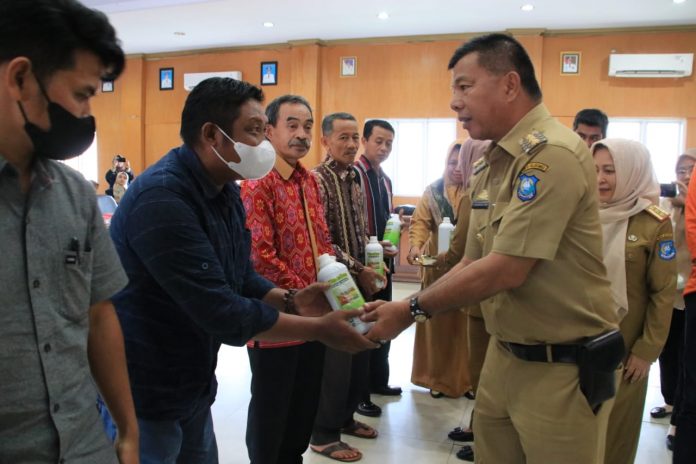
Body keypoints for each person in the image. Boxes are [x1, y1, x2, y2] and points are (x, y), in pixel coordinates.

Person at [362, 33, 623, 464]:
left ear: (508, 84)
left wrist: (409, 311)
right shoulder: (492, 163)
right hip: (504, 356)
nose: (454, 102)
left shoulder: (551, 155)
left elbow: (505, 269)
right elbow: (472, 258)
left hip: (561, 367)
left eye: (465, 86)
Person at [109, 78, 375, 464]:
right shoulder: (163, 199)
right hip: (145, 388)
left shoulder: (224, 188)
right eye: (253, 131)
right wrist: (319, 328)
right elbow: (222, 311)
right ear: (212, 135)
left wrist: (290, 299)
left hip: (193, 380)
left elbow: (241, 273)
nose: (263, 144)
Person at [0, 1, 139, 463]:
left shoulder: (75, 194)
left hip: (82, 443)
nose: (85, 115)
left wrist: (127, 428)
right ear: (20, 78)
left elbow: (99, 315)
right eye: (81, 95)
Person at [240, 94, 335, 464]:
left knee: (303, 404)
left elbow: (323, 242)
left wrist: (339, 282)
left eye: (308, 126)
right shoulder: (257, 182)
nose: (301, 134)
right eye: (292, 125)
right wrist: (302, 297)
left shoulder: (307, 181)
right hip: (277, 316)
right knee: (272, 410)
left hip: (315, 315)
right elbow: (259, 257)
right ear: (269, 130)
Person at [592, 139, 675, 464]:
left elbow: (663, 293)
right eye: (595, 169)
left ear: (631, 172)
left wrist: (646, 351)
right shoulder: (581, 215)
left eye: (610, 171)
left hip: (625, 352)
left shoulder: (653, 224)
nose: (600, 178)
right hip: (576, 342)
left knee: (616, 435)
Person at [310, 112, 385, 462]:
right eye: (343, 137)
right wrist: (358, 269)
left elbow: (361, 227)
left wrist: (373, 261)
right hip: (333, 284)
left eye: (355, 137)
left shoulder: (354, 177)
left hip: (360, 281)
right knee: (336, 360)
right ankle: (324, 434)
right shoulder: (317, 180)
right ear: (325, 141)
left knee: (359, 351)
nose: (352, 144)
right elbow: (321, 241)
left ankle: (345, 418)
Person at [408, 140, 471, 399]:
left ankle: (469, 381)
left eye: (462, 162)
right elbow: (420, 222)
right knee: (438, 326)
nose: (456, 168)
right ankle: (435, 378)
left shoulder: (479, 189)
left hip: (470, 268)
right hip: (438, 269)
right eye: (451, 162)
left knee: (467, 328)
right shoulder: (433, 191)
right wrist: (415, 245)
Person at [354, 119, 401, 419]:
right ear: (365, 141)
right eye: (379, 141)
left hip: (385, 264)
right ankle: (360, 394)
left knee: (384, 321)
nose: (383, 148)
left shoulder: (385, 180)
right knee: (363, 326)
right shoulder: (355, 175)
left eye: (389, 144)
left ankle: (378, 382)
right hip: (362, 267)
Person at [653, 148, 696, 450]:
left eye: (691, 170)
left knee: (685, 356)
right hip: (667, 291)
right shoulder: (666, 206)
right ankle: (670, 403)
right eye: (681, 170)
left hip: (688, 292)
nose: (685, 176)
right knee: (667, 351)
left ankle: (678, 421)